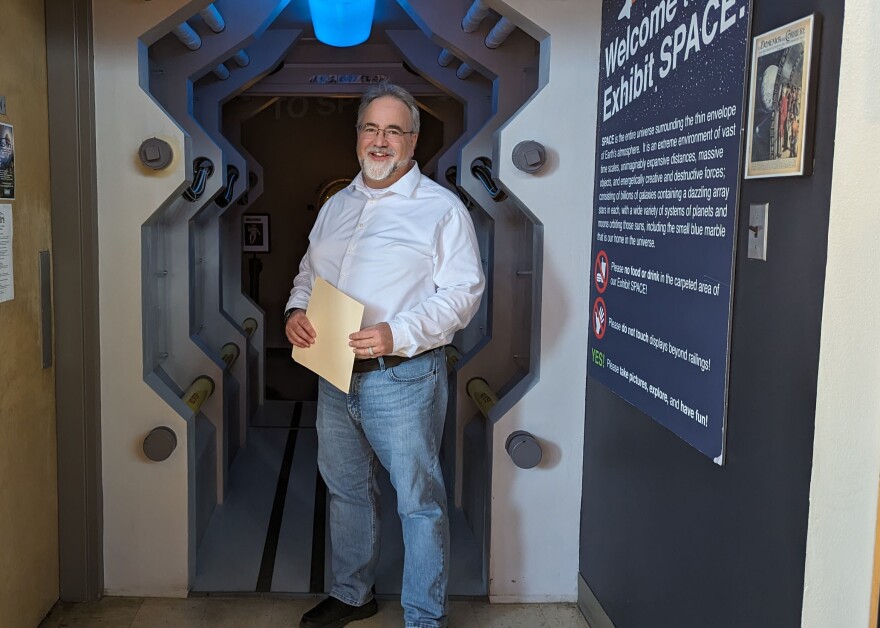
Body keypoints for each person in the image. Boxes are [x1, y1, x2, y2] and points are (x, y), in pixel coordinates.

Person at [284, 82, 485, 628]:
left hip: (403, 377)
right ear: (357, 139)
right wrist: (295, 311)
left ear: (413, 142)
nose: (380, 140)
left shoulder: (440, 210)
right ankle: (353, 595)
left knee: (418, 502)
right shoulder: (337, 205)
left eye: (394, 130)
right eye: (371, 129)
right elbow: (309, 271)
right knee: (346, 490)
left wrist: (397, 333)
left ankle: (423, 617)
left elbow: (463, 294)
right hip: (332, 372)